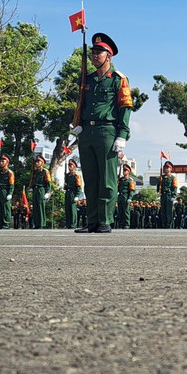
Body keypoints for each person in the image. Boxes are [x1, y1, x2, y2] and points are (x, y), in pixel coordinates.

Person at [69, 33, 133, 234]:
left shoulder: (118, 80)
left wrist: (122, 134)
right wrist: (77, 124)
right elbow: (82, 103)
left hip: (107, 131)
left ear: (109, 56)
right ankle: (92, 221)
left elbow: (125, 107)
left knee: (107, 179)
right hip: (87, 132)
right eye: (93, 52)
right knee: (90, 179)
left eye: (99, 52)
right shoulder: (86, 80)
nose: (95, 56)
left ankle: (105, 220)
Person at [0, 155, 14, 230]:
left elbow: (11, 184)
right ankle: (0, 223)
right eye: (0, 161)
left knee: (5, 208)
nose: (1, 163)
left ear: (7, 162)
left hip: (5, 191)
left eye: (2, 161)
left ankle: (6, 224)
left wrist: (10, 193)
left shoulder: (10, 173)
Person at [29, 155, 52, 229]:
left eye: (38, 162)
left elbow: (48, 183)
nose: (36, 163)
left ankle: (42, 223)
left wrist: (47, 192)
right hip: (35, 189)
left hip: (41, 190)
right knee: (35, 207)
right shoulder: (35, 172)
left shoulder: (45, 171)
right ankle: (36, 224)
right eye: (36, 162)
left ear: (42, 163)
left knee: (40, 207)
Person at [63, 160, 81, 229]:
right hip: (67, 192)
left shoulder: (76, 176)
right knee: (67, 209)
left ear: (74, 167)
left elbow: (79, 187)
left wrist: (77, 196)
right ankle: (68, 224)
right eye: (68, 166)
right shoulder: (67, 175)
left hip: (73, 193)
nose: (69, 167)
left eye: (71, 166)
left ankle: (73, 224)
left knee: (73, 210)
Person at [158, 161, 176, 228]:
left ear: (171, 169)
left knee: (169, 212)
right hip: (163, 195)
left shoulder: (173, 178)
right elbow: (159, 187)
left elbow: (174, 187)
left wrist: (173, 196)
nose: (166, 169)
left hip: (169, 195)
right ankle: (164, 225)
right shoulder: (162, 177)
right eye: (165, 168)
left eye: (168, 168)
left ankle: (169, 225)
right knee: (163, 211)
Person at [117, 165, 136, 229]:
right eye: (123, 170)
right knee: (120, 211)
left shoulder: (130, 180)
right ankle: (121, 224)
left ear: (129, 172)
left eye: (125, 170)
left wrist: (130, 198)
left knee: (126, 212)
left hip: (126, 196)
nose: (124, 172)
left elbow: (131, 190)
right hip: (120, 196)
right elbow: (117, 188)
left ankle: (127, 225)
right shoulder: (120, 180)